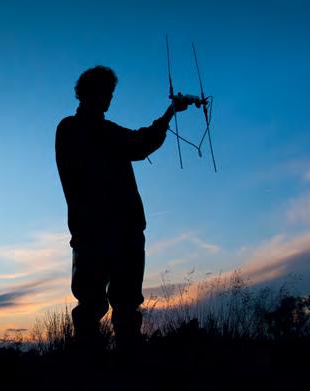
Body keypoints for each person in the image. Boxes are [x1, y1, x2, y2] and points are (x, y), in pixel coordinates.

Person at [55, 65, 193, 352]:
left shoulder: (87, 130)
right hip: (100, 233)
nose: (109, 99)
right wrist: (169, 114)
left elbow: (137, 143)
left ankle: (120, 370)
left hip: (114, 233)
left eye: (111, 93)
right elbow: (140, 143)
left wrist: (168, 115)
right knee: (97, 306)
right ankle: (94, 371)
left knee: (123, 304)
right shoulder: (78, 129)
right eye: (106, 93)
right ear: (89, 94)